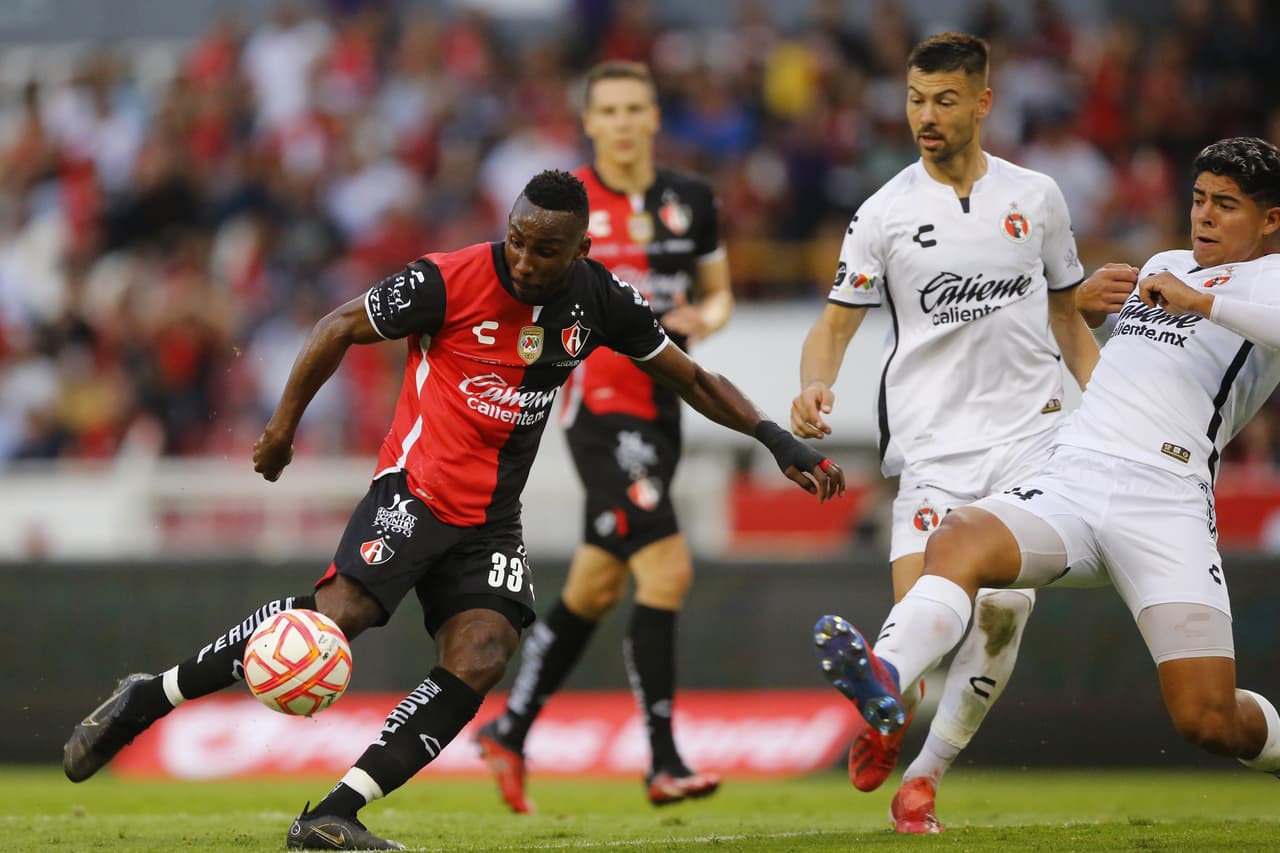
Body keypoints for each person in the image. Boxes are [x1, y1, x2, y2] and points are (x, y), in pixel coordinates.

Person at [62, 170, 844, 851]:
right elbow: (336, 325)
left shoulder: (601, 300)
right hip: (414, 490)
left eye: (546, 249)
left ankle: (334, 815)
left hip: (491, 520)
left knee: (483, 651)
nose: (526, 259)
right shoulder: (445, 279)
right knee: (338, 616)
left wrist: (775, 437)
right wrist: (280, 429)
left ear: (579, 251)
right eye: (517, 240)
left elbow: (692, 377)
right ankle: (150, 695)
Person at [814, 135, 1280, 801]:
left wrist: (1199, 300)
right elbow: (1124, 373)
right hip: (1076, 474)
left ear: (1272, 220)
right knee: (960, 537)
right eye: (1200, 198)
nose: (1203, 215)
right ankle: (887, 678)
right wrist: (1079, 308)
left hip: (1166, 501)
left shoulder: (1263, 279)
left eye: (1226, 205)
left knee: (1207, 719)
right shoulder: (1168, 263)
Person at [790, 32, 1106, 833]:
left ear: (982, 103)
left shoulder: (1037, 197)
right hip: (932, 449)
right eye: (914, 100)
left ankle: (923, 781)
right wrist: (814, 384)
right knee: (927, 635)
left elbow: (1068, 317)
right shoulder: (883, 212)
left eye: (943, 101)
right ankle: (889, 704)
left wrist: (1110, 413)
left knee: (1004, 612)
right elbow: (833, 326)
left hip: (1035, 441)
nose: (925, 117)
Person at [475, 60, 734, 813]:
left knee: (596, 581)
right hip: (597, 407)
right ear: (589, 122)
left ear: (655, 117)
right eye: (609, 110)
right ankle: (662, 759)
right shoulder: (566, 212)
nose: (622, 121)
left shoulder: (692, 200)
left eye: (635, 108)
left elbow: (716, 297)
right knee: (667, 567)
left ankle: (512, 726)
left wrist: (699, 323)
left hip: (665, 406)